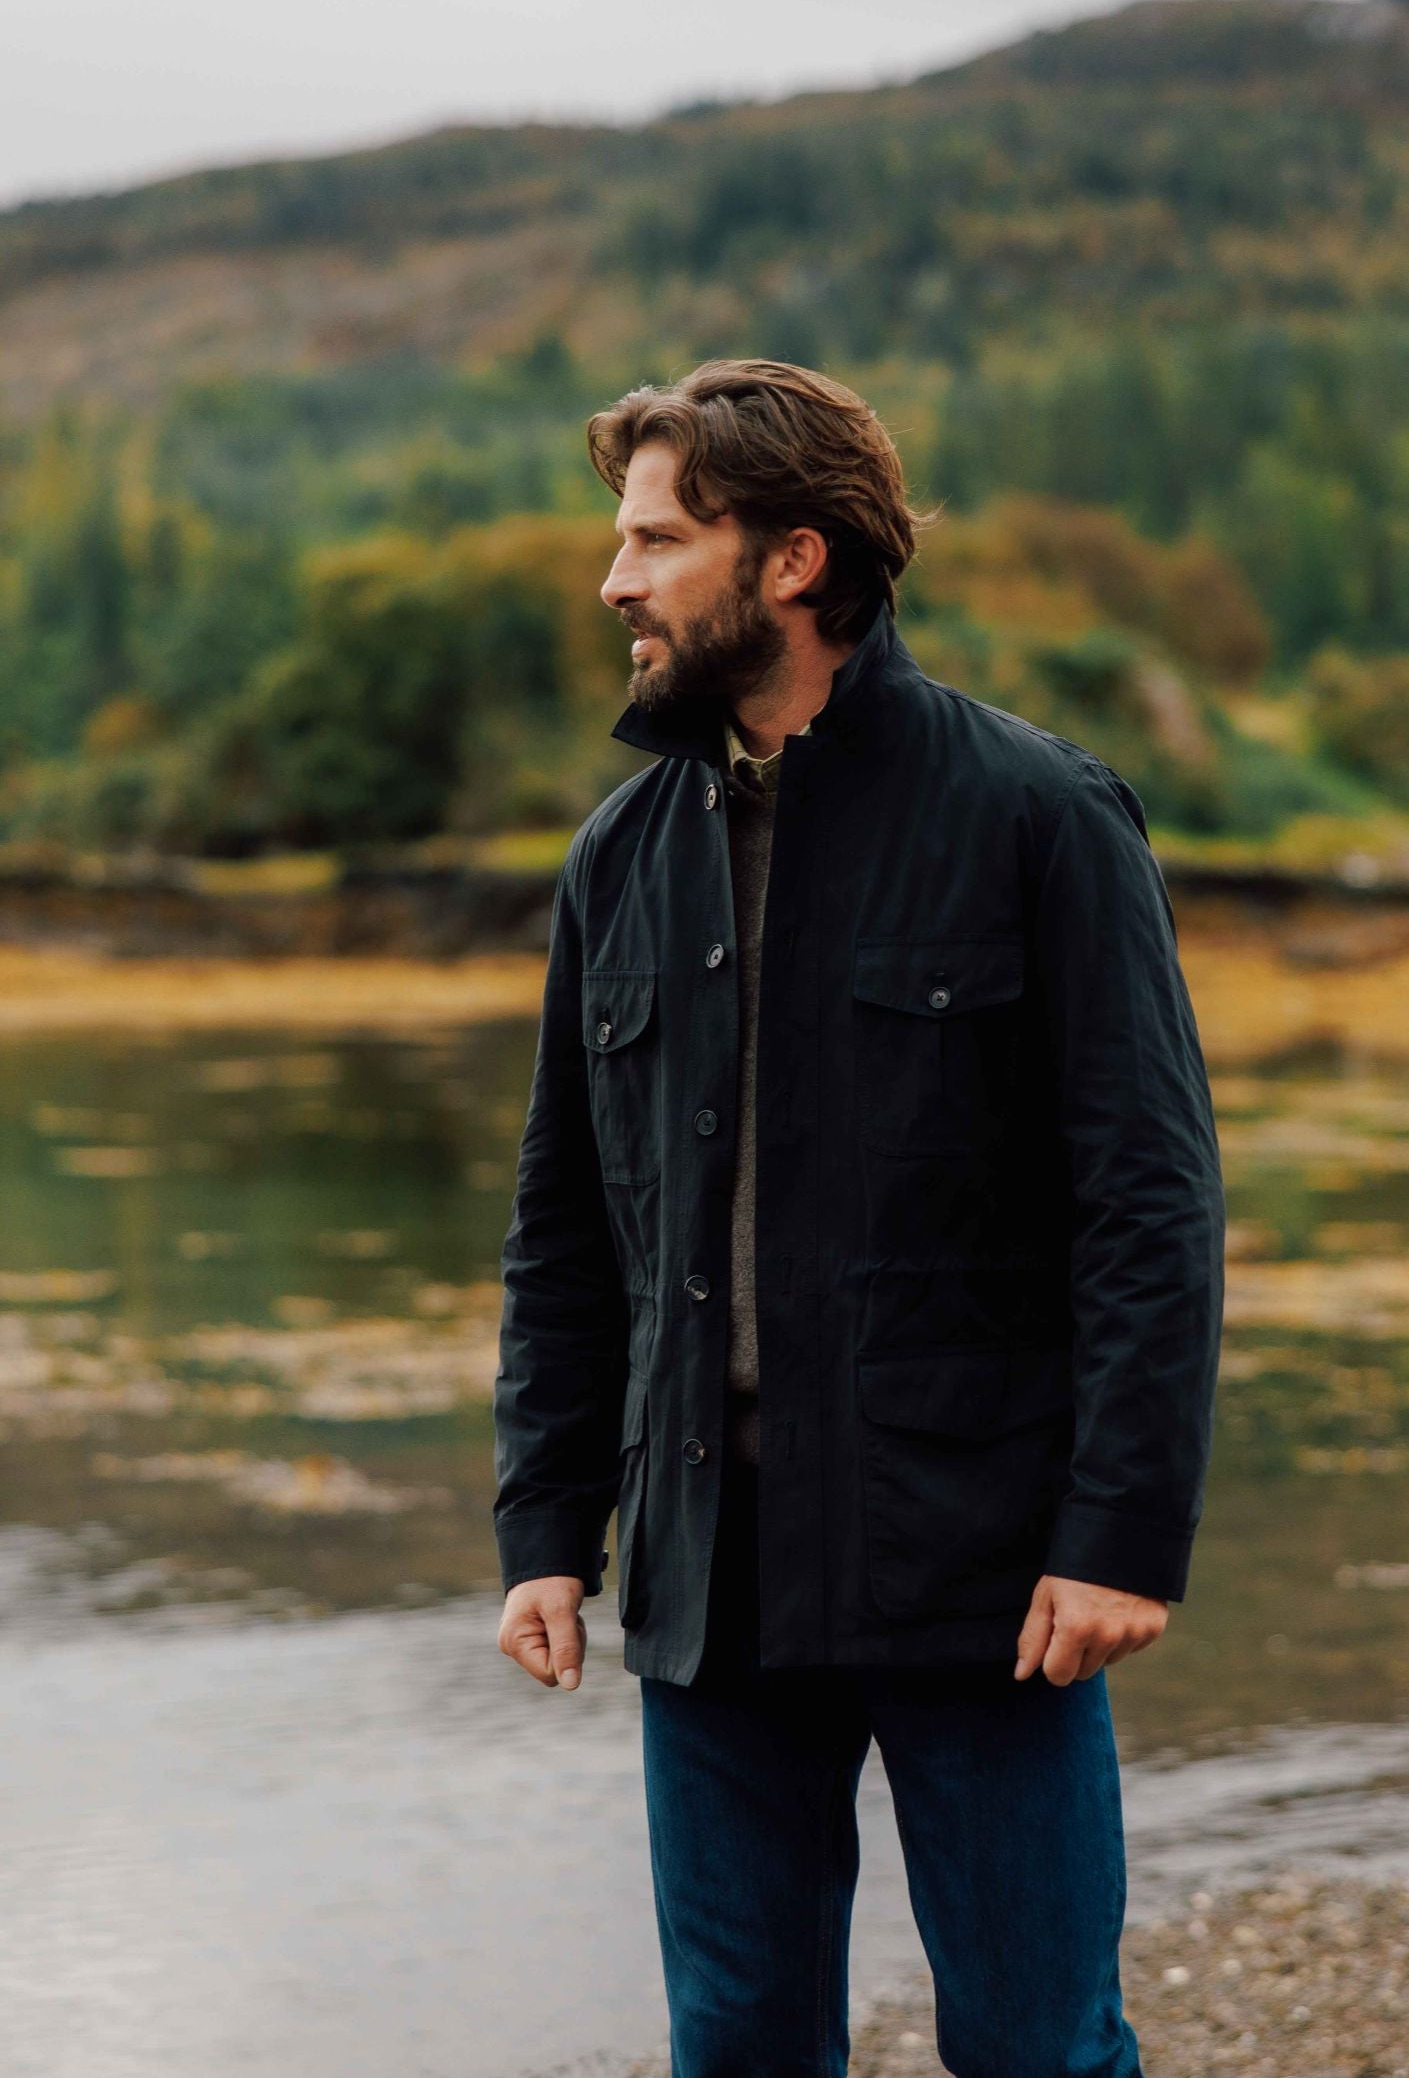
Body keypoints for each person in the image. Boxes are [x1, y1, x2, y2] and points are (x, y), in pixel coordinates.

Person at [492, 357, 1226, 2077]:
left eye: (657, 539)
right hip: (710, 1569)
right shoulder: (618, 856)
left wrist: (1122, 1529)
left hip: (977, 1565)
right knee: (738, 2041)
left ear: (794, 560)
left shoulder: (1040, 814)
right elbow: (565, 1221)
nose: (616, 580)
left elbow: (1149, 1199)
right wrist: (545, 1516)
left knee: (1038, 2045)